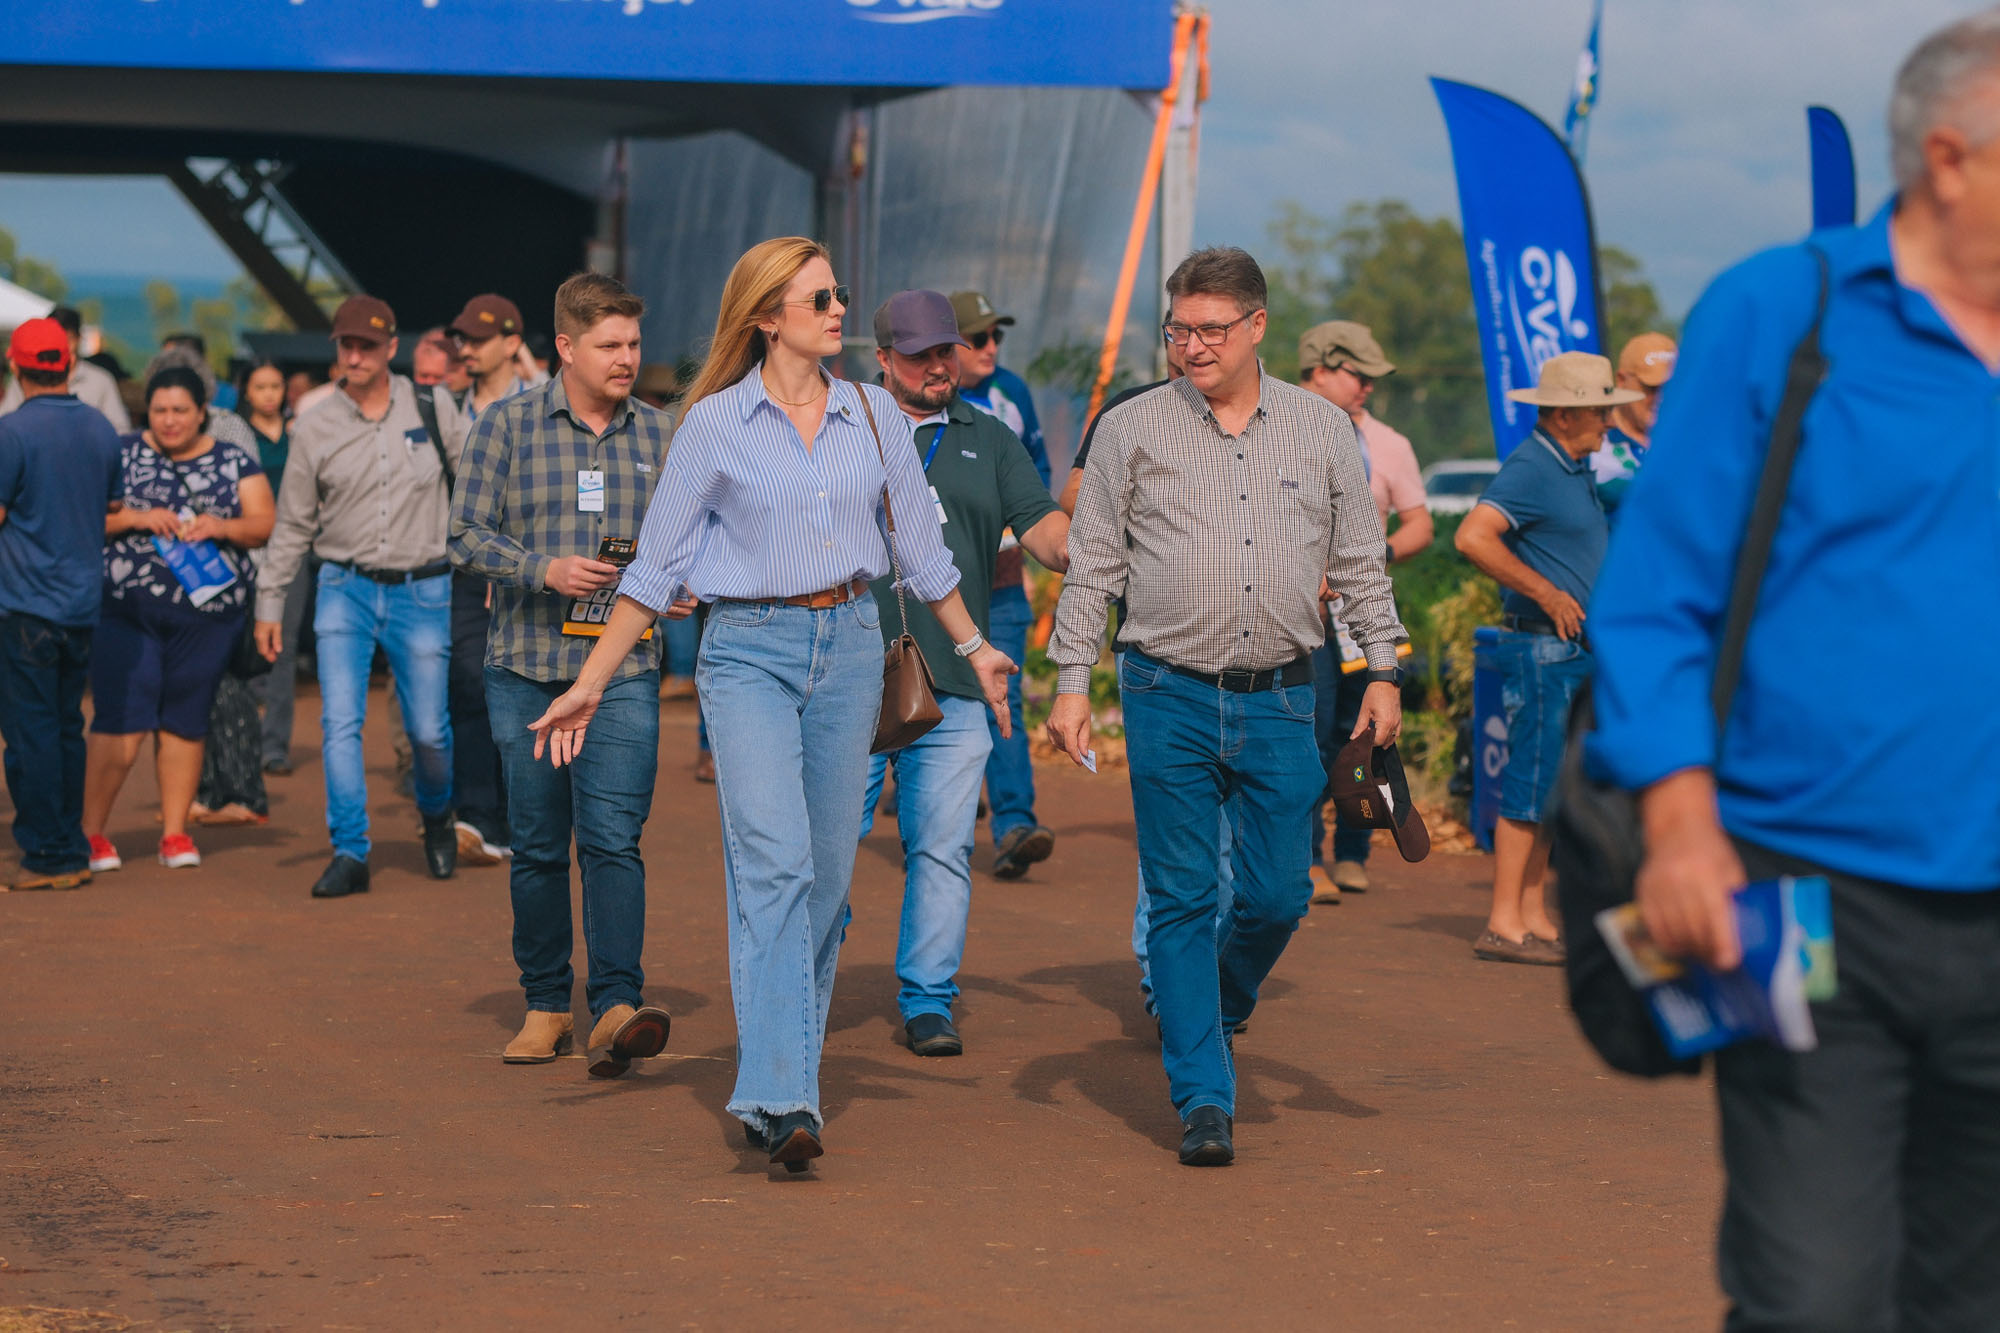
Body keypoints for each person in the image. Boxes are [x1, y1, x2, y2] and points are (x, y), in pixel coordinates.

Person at [1590, 14, 2000, 1326]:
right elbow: (1656, 600)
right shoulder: (1789, 310)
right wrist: (1678, 824)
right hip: (1803, 889)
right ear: (1952, 157)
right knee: (1815, 1296)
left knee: (1969, 1293)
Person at [524, 238, 1015, 1173]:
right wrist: (589, 681)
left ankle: (779, 1068)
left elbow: (921, 548)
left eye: (839, 293)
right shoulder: (712, 424)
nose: (840, 310)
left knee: (827, 887)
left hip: (853, 650)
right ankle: (783, 1091)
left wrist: (978, 648)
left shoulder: (873, 414)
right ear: (767, 316)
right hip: (746, 652)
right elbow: (657, 566)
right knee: (776, 863)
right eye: (820, 297)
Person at [1046, 247, 1406, 1167]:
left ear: (1256, 327)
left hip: (1284, 694)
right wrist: (1071, 681)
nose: (1192, 346)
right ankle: (1204, 1094)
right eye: (1179, 330)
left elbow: (1362, 561)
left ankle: (1215, 999)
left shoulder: (1323, 429)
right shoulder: (1131, 429)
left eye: (1211, 329)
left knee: (1280, 895)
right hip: (1164, 689)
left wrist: (1383, 674)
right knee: (1179, 894)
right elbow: (1096, 566)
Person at [449, 274, 675, 1073]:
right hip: (527, 671)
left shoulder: (660, 433)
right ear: (566, 348)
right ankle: (546, 1003)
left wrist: (675, 589)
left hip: (624, 673)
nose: (626, 359)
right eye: (611, 345)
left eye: (634, 344)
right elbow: (464, 535)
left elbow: (692, 541)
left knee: (614, 838)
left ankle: (616, 1003)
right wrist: (542, 568)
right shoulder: (505, 427)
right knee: (541, 845)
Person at [855, 290, 1069, 1057]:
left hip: (955, 675)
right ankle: (803, 980)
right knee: (824, 844)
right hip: (846, 675)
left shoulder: (990, 433)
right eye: (921, 355)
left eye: (947, 350)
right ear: (883, 360)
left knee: (942, 845)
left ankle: (928, 998)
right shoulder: (844, 425)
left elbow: (1043, 526)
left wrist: (1091, 549)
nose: (939, 365)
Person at [254, 295, 468, 899]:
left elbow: (477, 489)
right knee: (339, 722)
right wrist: (269, 603)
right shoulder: (315, 423)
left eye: (366, 345)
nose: (354, 355)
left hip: (423, 585)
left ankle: (435, 815)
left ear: (390, 348)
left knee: (428, 730)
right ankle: (350, 849)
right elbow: (293, 523)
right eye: (345, 344)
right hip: (342, 587)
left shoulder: (434, 406)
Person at [1453, 351, 1626, 965]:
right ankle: (1503, 921)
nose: (1607, 420)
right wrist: (1547, 591)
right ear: (1562, 414)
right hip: (1544, 650)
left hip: (1570, 651)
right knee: (1530, 780)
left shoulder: (1572, 465)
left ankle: (1530, 912)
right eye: (1598, 410)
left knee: (1553, 784)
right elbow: (1472, 536)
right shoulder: (1532, 466)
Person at [83, 365, 274, 873]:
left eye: (180, 411)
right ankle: (91, 834)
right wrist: (134, 519)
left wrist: (221, 525)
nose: (169, 421)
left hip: (208, 620)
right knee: (121, 719)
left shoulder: (232, 459)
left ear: (201, 413)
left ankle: (174, 833)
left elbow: (263, 524)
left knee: (186, 722)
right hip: (126, 610)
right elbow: (81, 516)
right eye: (161, 410)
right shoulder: (120, 453)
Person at [1298, 321, 1432, 902]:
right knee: (1310, 734)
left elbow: (1420, 524)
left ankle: (1354, 849)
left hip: (1364, 614)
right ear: (1321, 369)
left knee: (1369, 735)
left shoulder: (1389, 444)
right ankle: (1304, 856)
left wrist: (1368, 557)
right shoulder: (1278, 427)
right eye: (1360, 374)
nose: (1369, 388)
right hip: (1301, 618)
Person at [0, 318, 123, 890]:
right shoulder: (100, 428)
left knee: (31, 735)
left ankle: (49, 854)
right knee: (67, 727)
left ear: (13, 362)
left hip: (24, 604)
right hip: (79, 603)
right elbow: (109, 507)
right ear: (69, 364)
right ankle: (69, 845)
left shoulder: (12, 432)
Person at [949, 290, 1056, 880]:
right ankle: (919, 807)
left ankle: (1014, 824)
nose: (992, 348)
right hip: (927, 590)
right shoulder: (915, 400)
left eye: (997, 337)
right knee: (919, 696)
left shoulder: (1011, 392)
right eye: (979, 338)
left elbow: (1035, 471)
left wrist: (1018, 521)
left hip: (1003, 581)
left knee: (1003, 701)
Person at [443, 293, 545, 867]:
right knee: (466, 685)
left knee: (521, 688)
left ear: (511, 342)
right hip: (461, 568)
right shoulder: (443, 407)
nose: (465, 349)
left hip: (521, 570)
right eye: (461, 338)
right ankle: (474, 813)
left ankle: (513, 816)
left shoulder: (536, 406)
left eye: (478, 339)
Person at [240, 361, 311, 776]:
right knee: (243, 648)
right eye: (260, 386)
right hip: (243, 552)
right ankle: (242, 738)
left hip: (291, 552)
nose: (269, 394)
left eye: (275, 386)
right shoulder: (234, 435)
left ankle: (274, 745)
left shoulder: (299, 433)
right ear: (246, 392)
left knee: (281, 649)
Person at [1587, 332, 1677, 517]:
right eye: (1651, 388)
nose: (1660, 398)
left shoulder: (1690, 441)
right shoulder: (1589, 444)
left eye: (1670, 388)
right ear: (1621, 381)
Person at [0, 306, 131, 431]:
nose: (61, 347)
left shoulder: (101, 380)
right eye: (53, 339)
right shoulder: (25, 378)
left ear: (79, 339)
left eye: (66, 340)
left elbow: (120, 429)